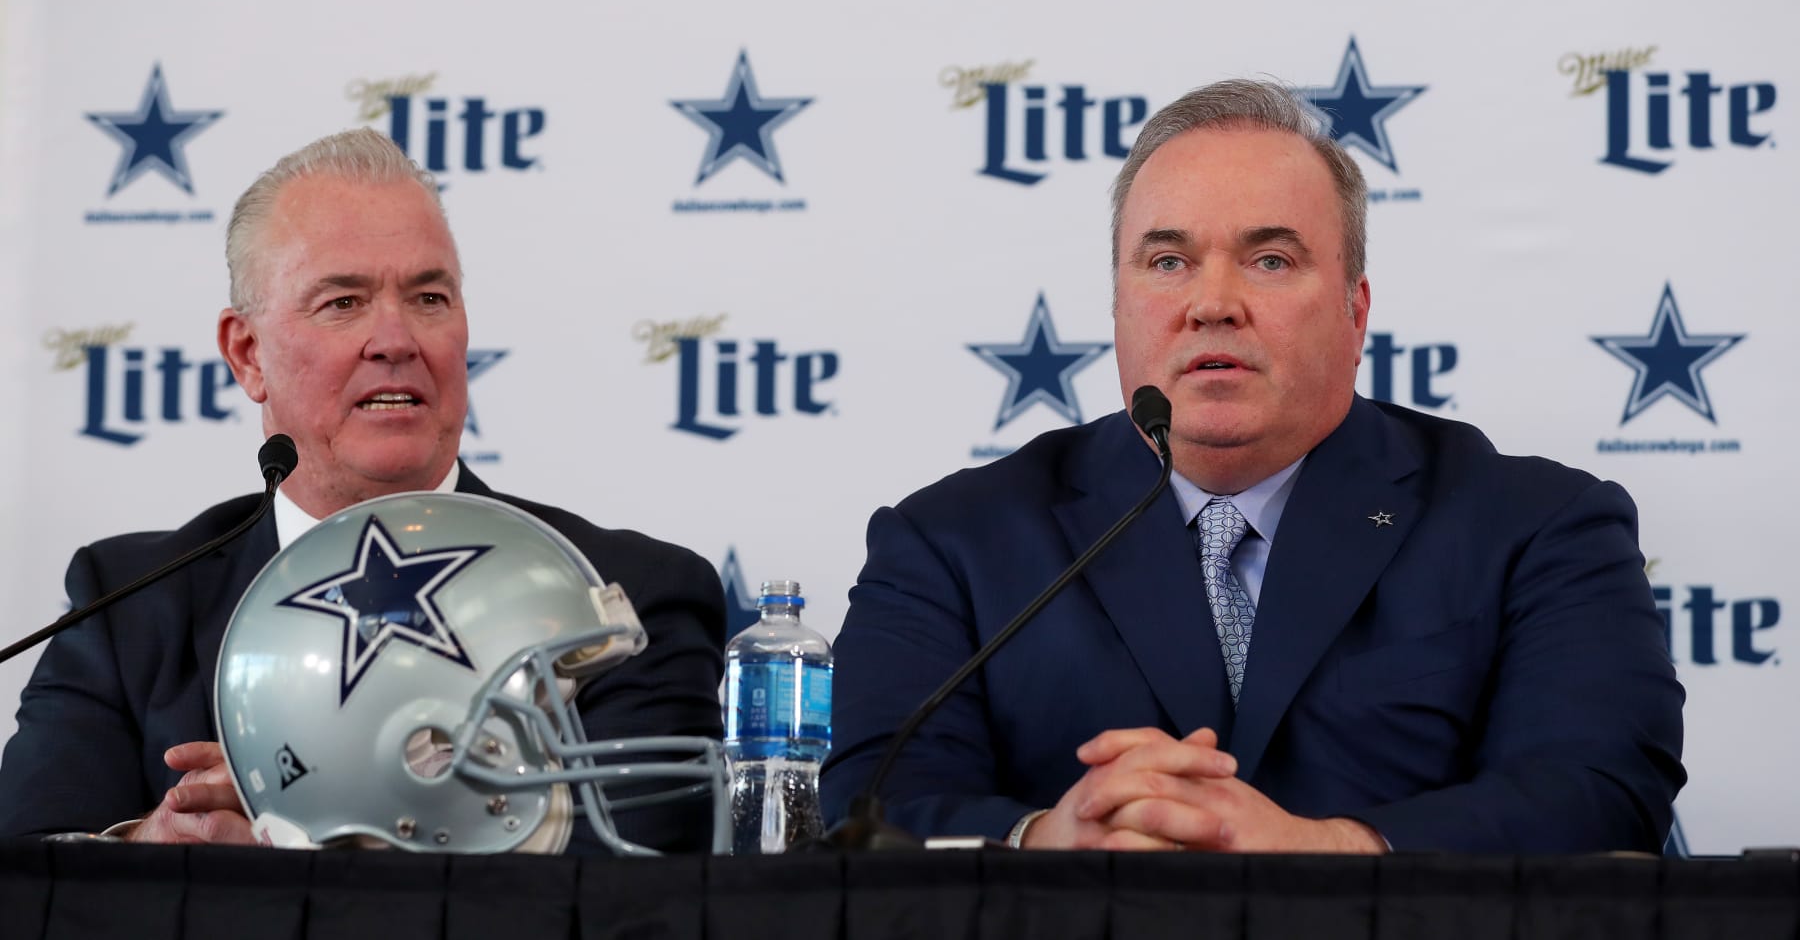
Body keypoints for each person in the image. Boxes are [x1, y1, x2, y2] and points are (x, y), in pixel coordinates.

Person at [822, 79, 1684, 854]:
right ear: (1118, 306)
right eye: (1168, 262)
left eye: (1271, 260)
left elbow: (1601, 792)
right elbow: (872, 806)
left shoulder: (1538, 525)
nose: (1212, 303)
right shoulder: (951, 542)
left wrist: (1330, 852)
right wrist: (1046, 839)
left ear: (1357, 308)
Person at [0, 128, 726, 850]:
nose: (395, 339)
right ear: (247, 354)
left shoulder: (625, 592)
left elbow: (632, 902)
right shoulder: (125, 607)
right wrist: (155, 849)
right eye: (343, 302)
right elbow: (30, 877)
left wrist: (298, 853)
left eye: (430, 297)